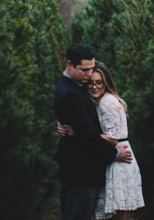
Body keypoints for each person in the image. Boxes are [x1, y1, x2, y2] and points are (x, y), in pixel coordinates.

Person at [54, 43, 133, 220]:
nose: (89, 74)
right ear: (69, 64)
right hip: (80, 171)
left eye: (91, 69)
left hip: (82, 167)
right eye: (84, 70)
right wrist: (114, 154)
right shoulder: (72, 93)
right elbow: (88, 137)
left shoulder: (74, 87)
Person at [88, 61, 145, 220]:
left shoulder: (108, 103)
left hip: (119, 157)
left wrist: (83, 135)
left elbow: (112, 139)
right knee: (116, 210)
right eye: (90, 83)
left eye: (99, 82)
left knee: (119, 210)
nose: (94, 86)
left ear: (106, 82)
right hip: (115, 154)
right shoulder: (101, 101)